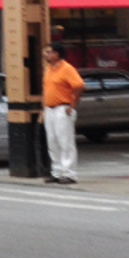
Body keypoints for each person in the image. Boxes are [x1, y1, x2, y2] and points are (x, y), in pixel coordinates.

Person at [41, 45, 86, 185]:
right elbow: (46, 90)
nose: (46, 55)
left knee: (65, 141)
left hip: (62, 108)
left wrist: (72, 105)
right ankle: (57, 172)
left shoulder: (67, 68)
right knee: (52, 141)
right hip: (50, 109)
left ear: (57, 54)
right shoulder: (48, 69)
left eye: (49, 52)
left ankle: (69, 173)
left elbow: (79, 85)